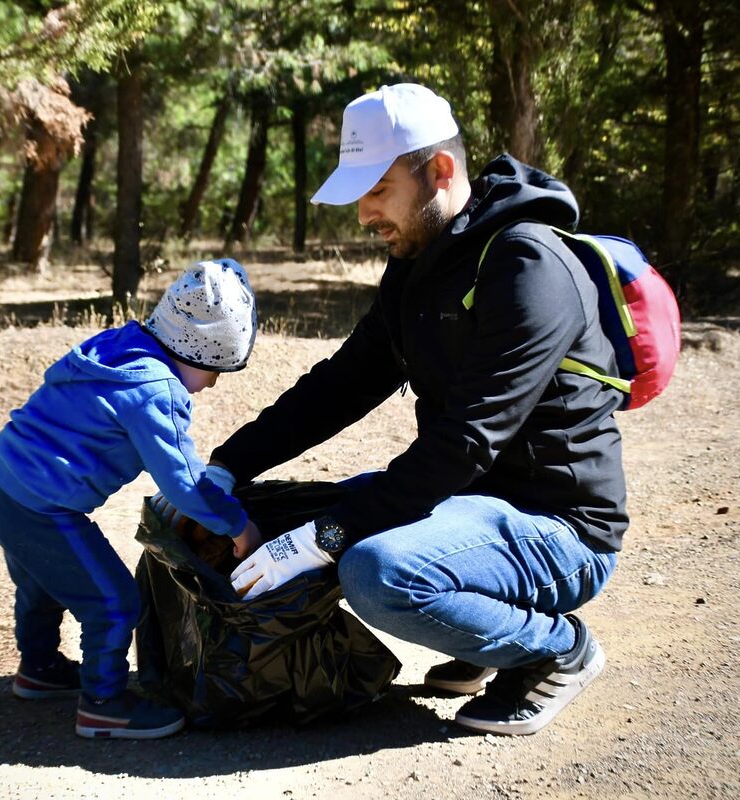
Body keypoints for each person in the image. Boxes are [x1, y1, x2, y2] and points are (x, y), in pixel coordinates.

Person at [220, 84, 627, 736]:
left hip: (559, 527)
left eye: (377, 189)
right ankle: (481, 638)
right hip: (466, 508)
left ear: (439, 171)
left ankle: (556, 650)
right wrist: (225, 467)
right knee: (272, 515)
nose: (362, 214)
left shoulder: (529, 265)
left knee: (372, 569)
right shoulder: (417, 267)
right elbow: (341, 385)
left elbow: (466, 441)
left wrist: (327, 537)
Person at [0, 259, 262, 740]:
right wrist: (238, 525)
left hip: (2, 483)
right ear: (197, 353)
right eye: (215, 370)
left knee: (43, 584)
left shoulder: (117, 344)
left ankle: (39, 668)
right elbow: (185, 483)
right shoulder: (157, 390)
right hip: (45, 510)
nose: (213, 382)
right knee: (113, 600)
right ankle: (103, 705)